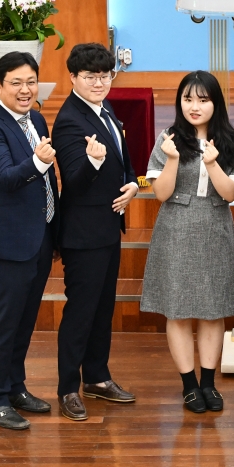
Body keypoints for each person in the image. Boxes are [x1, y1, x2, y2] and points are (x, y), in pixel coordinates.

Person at [142, 71, 234, 413]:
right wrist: (172, 158)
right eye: (188, 99)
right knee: (178, 310)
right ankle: (189, 385)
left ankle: (208, 384)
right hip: (176, 228)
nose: (194, 106)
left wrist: (212, 163)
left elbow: (230, 193)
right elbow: (161, 193)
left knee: (213, 311)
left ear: (216, 103)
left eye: (203, 99)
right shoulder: (168, 139)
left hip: (215, 227)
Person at [51, 43, 139, 421]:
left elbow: (122, 157)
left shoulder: (104, 109)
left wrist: (132, 183)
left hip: (107, 227)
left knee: (103, 309)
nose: (99, 83)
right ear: (73, 77)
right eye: (90, 77)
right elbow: (73, 181)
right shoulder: (69, 120)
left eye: (105, 76)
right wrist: (92, 161)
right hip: (83, 233)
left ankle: (97, 378)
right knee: (81, 312)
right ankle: (68, 388)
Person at [0, 51, 58, 430]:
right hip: (7, 242)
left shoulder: (35, 118)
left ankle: (15, 388)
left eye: (31, 82)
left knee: (24, 322)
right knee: (3, 323)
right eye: (16, 83)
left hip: (38, 236)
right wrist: (39, 162)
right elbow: (7, 177)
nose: (25, 90)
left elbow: (46, 183)